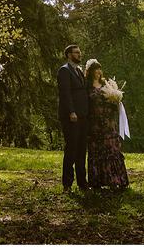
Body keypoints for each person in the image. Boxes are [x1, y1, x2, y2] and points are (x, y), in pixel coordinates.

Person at [84, 59, 129, 189]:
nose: (98, 71)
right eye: (95, 69)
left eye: (99, 68)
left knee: (111, 150)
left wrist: (116, 99)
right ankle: (97, 181)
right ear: (90, 71)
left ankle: (115, 180)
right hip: (94, 123)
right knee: (97, 151)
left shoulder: (106, 84)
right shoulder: (87, 86)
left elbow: (113, 102)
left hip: (108, 122)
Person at [56, 43, 89, 191]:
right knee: (71, 149)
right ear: (69, 55)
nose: (79, 55)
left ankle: (82, 183)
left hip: (83, 116)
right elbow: (65, 94)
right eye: (76, 53)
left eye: (79, 52)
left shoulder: (79, 71)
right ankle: (67, 184)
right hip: (71, 117)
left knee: (82, 149)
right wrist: (71, 112)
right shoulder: (64, 71)